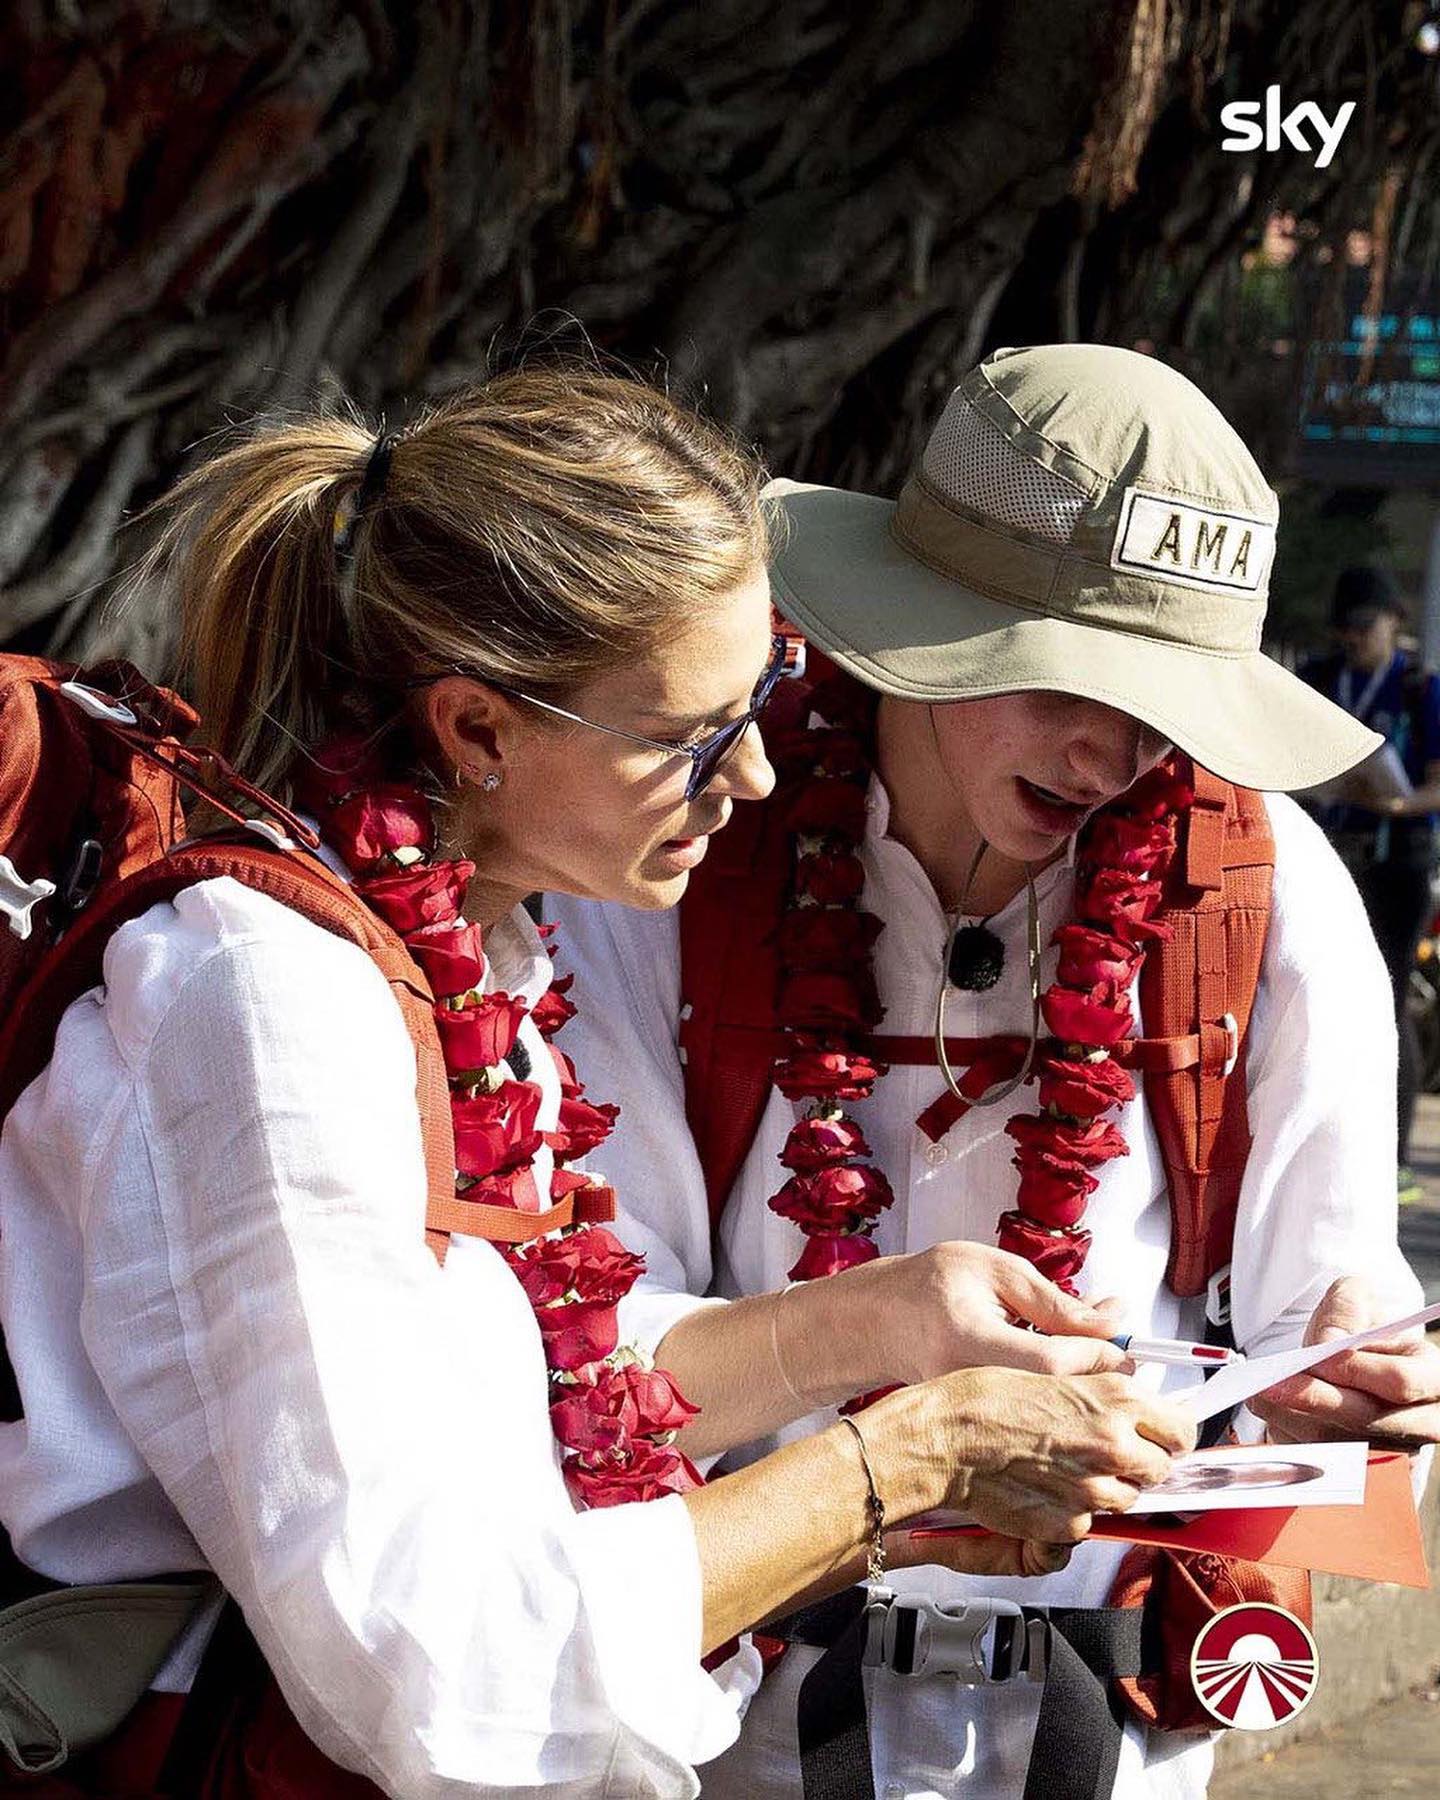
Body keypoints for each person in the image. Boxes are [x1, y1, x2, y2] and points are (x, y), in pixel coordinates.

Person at [0, 367, 1194, 1800]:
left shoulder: (452, 941)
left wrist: (875, 1321)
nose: (749, 775)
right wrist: (901, 1465)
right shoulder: (266, 1007)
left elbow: (503, 1360)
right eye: (693, 735)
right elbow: (441, 1670)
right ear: (479, 730)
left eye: (766, 702)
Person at [551, 345, 1440, 1799]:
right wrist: (873, 1342)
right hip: (732, 1720)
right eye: (1066, 676)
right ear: (925, 623)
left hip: (1115, 1723)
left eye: (1165, 703)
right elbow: (590, 1351)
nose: (1111, 751)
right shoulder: (687, 855)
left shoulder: (1266, 888)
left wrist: (1356, 1367)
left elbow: (1319, 1321)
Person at [1300, 565, 1440, 1197]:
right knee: (1310, 997)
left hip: (1396, 860)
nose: (1353, 637)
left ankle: (1395, 1156)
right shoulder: (1320, 680)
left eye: (1366, 625)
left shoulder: (1419, 689)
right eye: (1344, 627)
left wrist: (1398, 804)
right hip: (1329, 853)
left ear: (1395, 622)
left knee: (1386, 998)